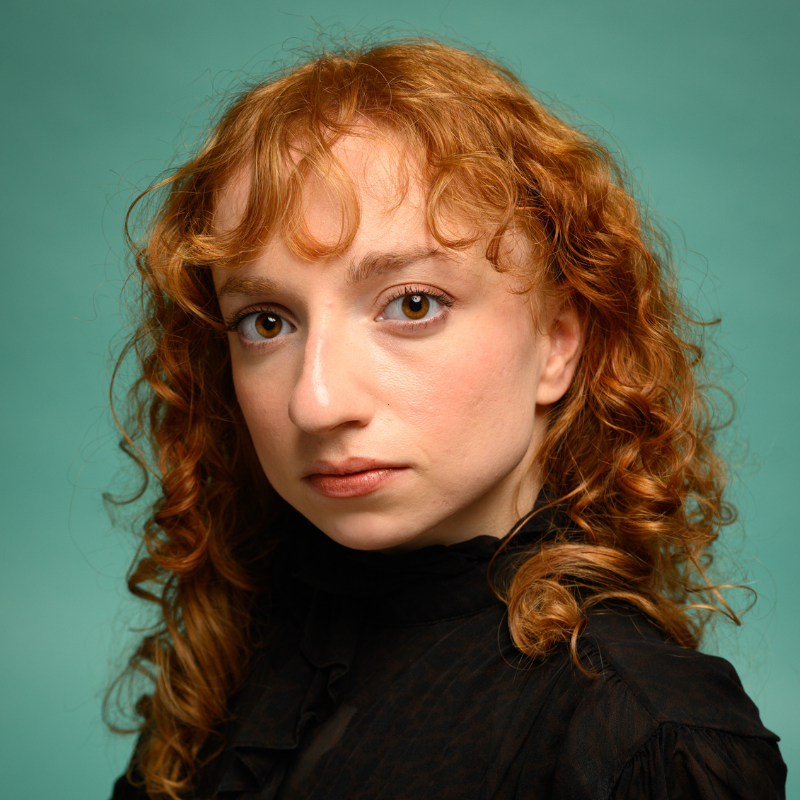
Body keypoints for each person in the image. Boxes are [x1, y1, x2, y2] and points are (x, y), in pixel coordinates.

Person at [107, 39, 786, 800]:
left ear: (557, 344)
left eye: (412, 305)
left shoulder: (648, 733)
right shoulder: (232, 662)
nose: (315, 403)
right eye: (266, 321)